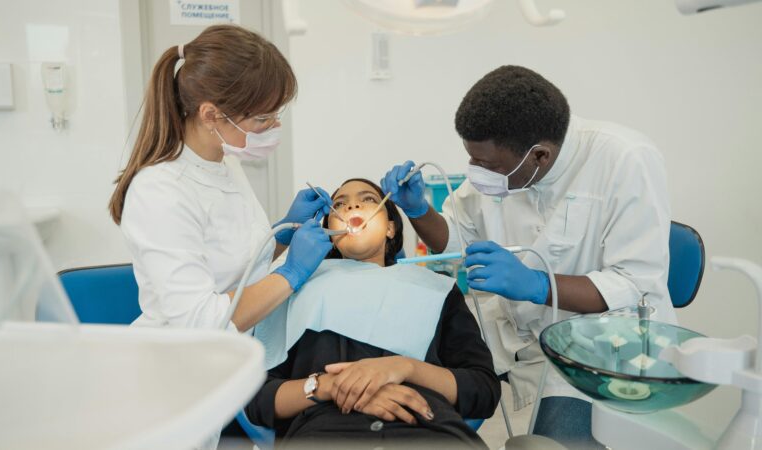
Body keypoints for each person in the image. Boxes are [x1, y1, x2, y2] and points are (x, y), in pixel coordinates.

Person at [381, 65, 674, 448]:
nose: (477, 173)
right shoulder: (502, 160)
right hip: (513, 331)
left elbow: (634, 287)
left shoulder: (625, 160)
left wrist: (536, 285)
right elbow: (455, 238)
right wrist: (418, 210)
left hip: (599, 343)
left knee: (554, 441)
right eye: (472, 160)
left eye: (489, 166)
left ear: (539, 156)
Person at [107, 25, 333, 448]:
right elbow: (202, 320)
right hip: (166, 389)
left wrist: (280, 235)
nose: (273, 125)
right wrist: (294, 272)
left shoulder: (224, 161)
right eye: (263, 117)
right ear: (211, 114)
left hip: (210, 377)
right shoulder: (160, 191)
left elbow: (232, 267)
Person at [246, 179, 499, 449]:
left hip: (429, 430)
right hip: (325, 432)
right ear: (329, 231)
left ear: (391, 227)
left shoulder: (435, 288)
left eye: (367, 199)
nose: (352, 204)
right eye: (339, 204)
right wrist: (330, 387)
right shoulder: (294, 289)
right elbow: (256, 398)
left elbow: (483, 389)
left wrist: (406, 368)